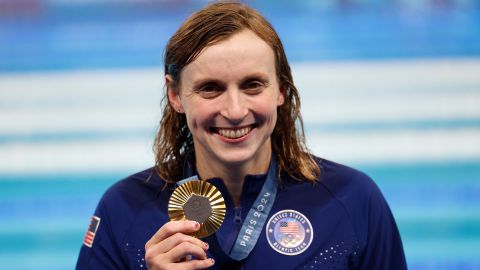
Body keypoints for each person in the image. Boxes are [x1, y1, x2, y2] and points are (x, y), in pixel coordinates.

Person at [76, 2, 407, 269]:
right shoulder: (124, 210)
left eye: (252, 85)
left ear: (281, 89)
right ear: (176, 95)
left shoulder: (352, 200)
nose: (234, 110)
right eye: (210, 88)